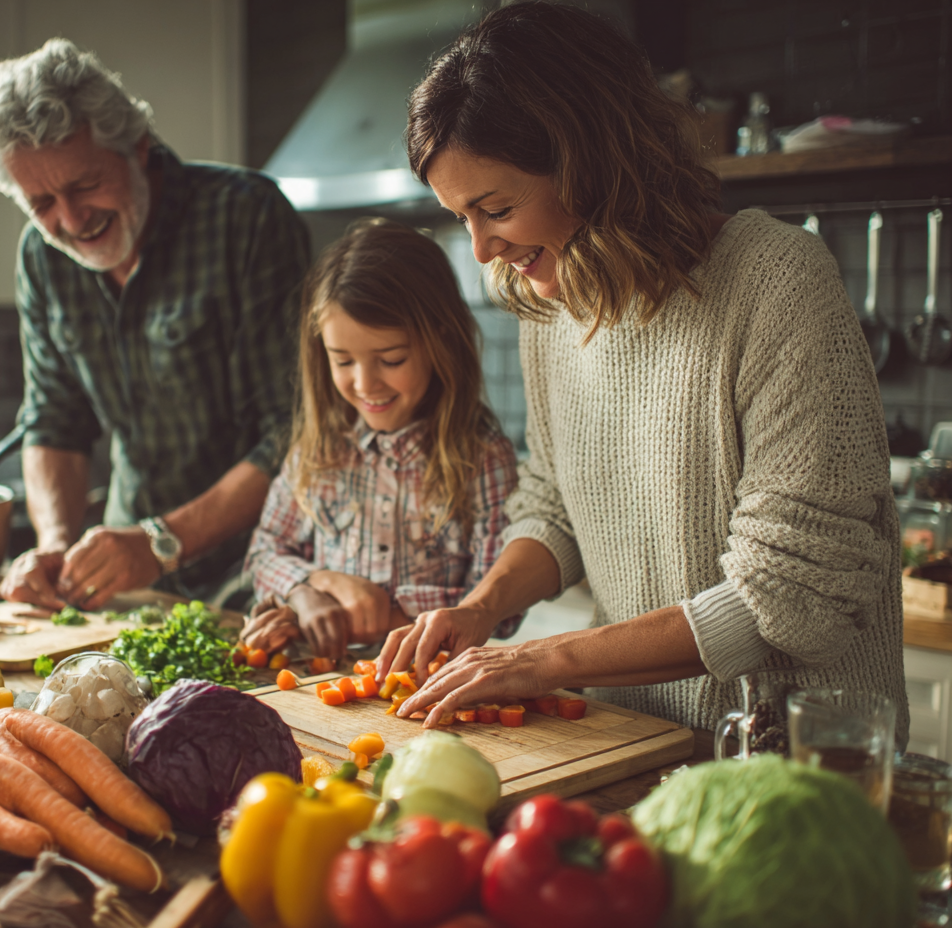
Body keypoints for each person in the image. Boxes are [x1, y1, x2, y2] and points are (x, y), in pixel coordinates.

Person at [378, 1, 909, 741]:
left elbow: (790, 592)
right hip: (632, 744)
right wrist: (482, 608)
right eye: (461, 217)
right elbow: (556, 502)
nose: (481, 250)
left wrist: (543, 658)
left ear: (589, 162)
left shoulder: (776, 280)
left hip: (791, 770)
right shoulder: (551, 306)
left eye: (495, 208)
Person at [0, 40, 309, 609]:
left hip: (264, 568)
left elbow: (293, 433)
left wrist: (161, 541)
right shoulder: (41, 257)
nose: (70, 221)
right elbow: (54, 421)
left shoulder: (247, 216)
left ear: (138, 147)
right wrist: (54, 546)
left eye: (83, 185)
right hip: (130, 577)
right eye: (42, 202)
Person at [241, 218, 519, 659]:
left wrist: (379, 613)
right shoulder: (318, 451)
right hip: (322, 684)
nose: (365, 383)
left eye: (391, 359)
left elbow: (498, 608)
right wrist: (314, 589)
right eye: (343, 361)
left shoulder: (482, 458)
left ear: (440, 342)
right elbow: (262, 553)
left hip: (427, 683)